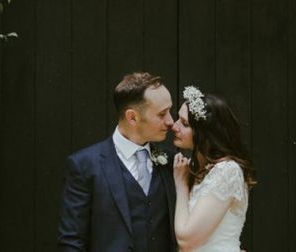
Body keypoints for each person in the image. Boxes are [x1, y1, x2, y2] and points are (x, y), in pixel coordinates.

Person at [58, 72, 177, 251]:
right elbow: (71, 241)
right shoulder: (85, 165)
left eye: (170, 110)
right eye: (162, 114)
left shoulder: (172, 162)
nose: (171, 121)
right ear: (132, 117)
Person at [171, 86, 256, 252]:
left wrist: (181, 184)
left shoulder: (227, 170)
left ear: (205, 133)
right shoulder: (198, 170)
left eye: (185, 123)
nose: (174, 126)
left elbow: (186, 239)